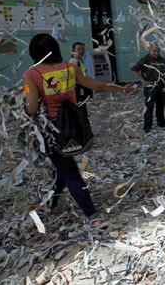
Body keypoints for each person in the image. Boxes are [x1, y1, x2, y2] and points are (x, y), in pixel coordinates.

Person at [23, 33, 135, 226]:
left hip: (51, 132)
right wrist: (123, 89)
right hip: (74, 126)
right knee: (63, 167)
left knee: (69, 171)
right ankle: (50, 203)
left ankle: (92, 214)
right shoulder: (70, 68)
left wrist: (23, 102)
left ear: (34, 53)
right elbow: (98, 85)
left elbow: (31, 107)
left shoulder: (31, 75)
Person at [131, 43, 165, 133]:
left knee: (160, 105)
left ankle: (161, 123)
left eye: (158, 51)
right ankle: (147, 126)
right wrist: (143, 81)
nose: (156, 53)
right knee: (149, 106)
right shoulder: (145, 60)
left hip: (161, 85)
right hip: (150, 86)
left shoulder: (162, 59)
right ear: (149, 50)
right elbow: (134, 69)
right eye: (154, 51)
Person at [69, 42, 93, 115]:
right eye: (79, 49)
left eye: (82, 49)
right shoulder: (74, 61)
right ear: (73, 50)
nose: (81, 51)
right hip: (77, 89)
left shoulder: (79, 60)